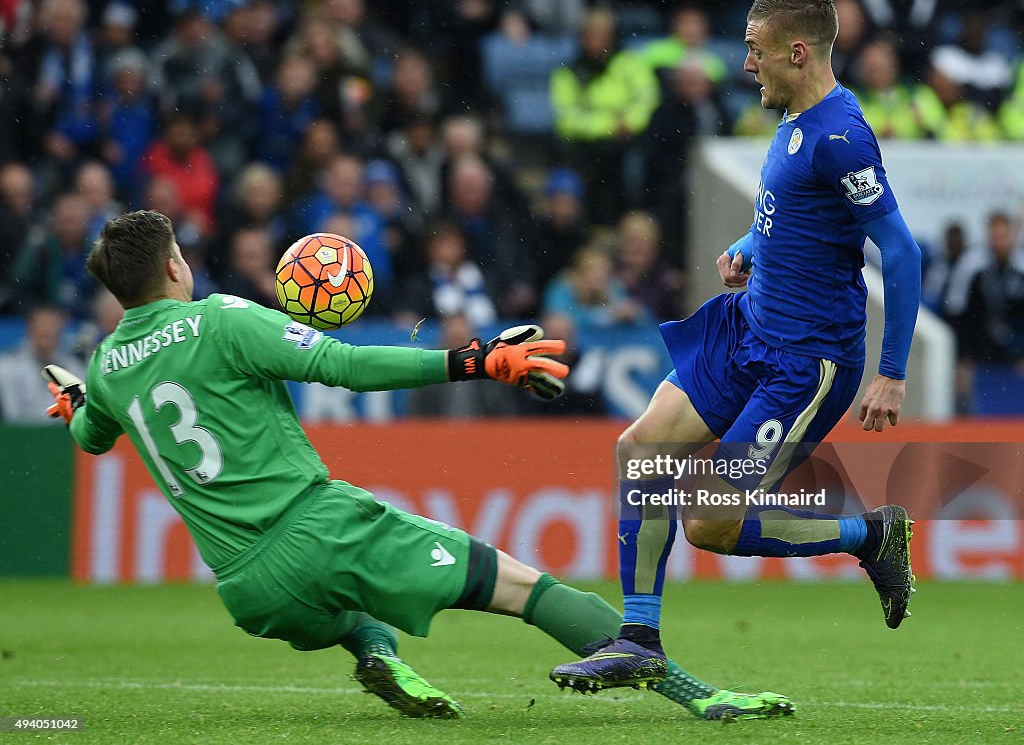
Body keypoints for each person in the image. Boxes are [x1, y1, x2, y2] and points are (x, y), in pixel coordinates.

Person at [45, 210, 794, 721]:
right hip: (319, 527)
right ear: (175, 263)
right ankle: (702, 695)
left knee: (349, 608)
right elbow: (344, 363)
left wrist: (75, 400)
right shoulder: (220, 318)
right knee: (518, 584)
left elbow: (89, 437)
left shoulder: (108, 365)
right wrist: (471, 358)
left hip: (245, 586)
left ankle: (377, 653)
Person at [551, 0, 922, 694]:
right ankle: (638, 638)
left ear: (797, 50)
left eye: (755, 51)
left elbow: (900, 252)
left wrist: (893, 369)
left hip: (805, 360)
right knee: (641, 450)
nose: (744, 64)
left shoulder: (841, 137)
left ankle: (870, 535)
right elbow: (794, 210)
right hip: (747, 324)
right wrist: (751, 242)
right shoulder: (793, 120)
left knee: (710, 521)